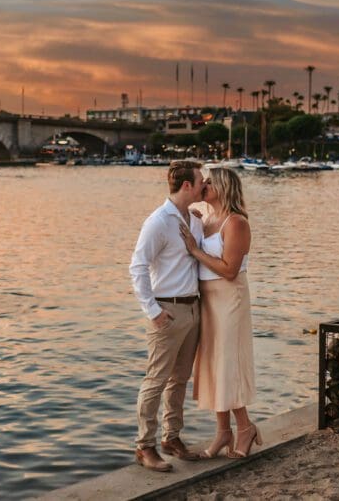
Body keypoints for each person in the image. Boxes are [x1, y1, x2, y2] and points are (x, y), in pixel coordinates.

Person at [128, 160, 206, 472]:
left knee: (180, 379)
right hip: (167, 310)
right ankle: (144, 446)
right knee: (156, 379)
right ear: (187, 185)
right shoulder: (158, 222)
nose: (204, 185)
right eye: (201, 181)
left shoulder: (194, 220)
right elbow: (137, 267)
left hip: (193, 308)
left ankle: (171, 438)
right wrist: (153, 310)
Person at [179, 167, 260, 459]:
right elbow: (179, 202)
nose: (205, 185)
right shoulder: (206, 218)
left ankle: (245, 427)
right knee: (213, 363)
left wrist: (195, 251)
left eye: (211, 182)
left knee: (228, 363)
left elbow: (229, 270)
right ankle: (223, 431)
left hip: (229, 298)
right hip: (208, 300)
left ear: (224, 186)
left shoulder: (235, 222)